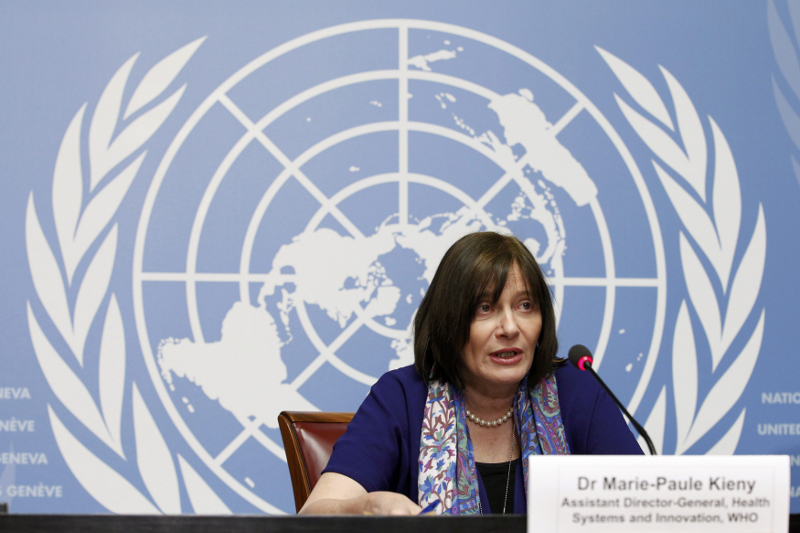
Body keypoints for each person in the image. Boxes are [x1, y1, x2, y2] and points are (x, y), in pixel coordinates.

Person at [299, 232, 642, 516]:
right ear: (448, 321)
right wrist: (367, 507)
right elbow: (314, 515)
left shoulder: (574, 392)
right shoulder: (402, 398)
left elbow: (644, 509)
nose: (510, 327)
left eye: (525, 306)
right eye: (485, 308)